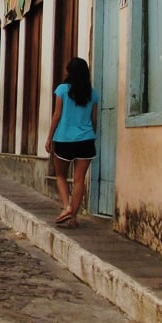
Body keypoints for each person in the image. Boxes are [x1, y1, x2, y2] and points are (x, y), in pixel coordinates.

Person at [45, 57, 99, 228]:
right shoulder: (92, 94)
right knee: (79, 180)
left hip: (64, 139)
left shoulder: (62, 90)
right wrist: (91, 135)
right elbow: (94, 119)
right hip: (86, 140)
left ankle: (67, 207)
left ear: (69, 72)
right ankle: (73, 218)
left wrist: (49, 137)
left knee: (61, 175)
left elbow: (57, 115)